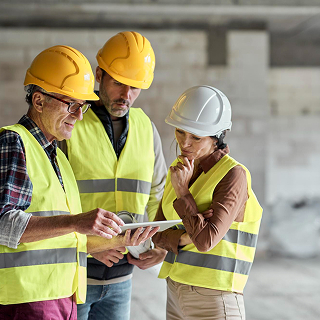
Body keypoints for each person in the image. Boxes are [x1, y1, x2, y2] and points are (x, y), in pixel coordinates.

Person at [0, 45, 158, 320]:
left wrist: (125, 240)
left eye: (82, 106)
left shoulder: (57, 158)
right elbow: (3, 224)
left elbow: (64, 239)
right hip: (28, 299)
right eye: (71, 105)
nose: (79, 115)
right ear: (38, 101)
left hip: (64, 295)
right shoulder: (15, 142)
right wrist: (75, 221)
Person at [62, 31, 167, 320]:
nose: (126, 95)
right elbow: (49, 203)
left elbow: (159, 195)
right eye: (119, 82)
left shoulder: (146, 128)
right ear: (99, 75)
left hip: (123, 280)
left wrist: (158, 246)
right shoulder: (70, 124)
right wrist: (87, 245)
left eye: (135, 87)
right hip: (74, 274)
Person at [152, 85, 263, 319]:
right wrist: (184, 235)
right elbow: (156, 234)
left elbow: (204, 241)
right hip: (175, 290)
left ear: (217, 137)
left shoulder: (233, 176)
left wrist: (184, 193)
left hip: (215, 297)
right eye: (180, 132)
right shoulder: (180, 170)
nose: (185, 143)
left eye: (196, 137)